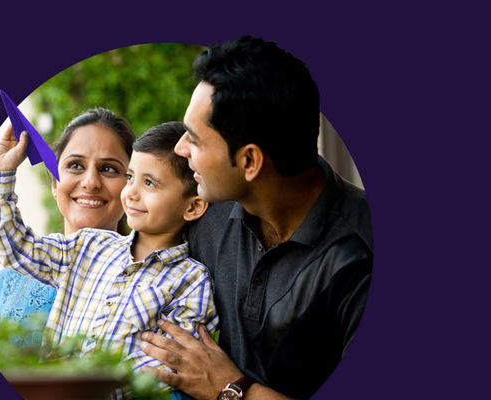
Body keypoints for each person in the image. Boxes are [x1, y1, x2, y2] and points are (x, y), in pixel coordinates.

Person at [138, 36, 373, 400]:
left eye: (196, 140)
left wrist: (231, 390)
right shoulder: (205, 211)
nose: (181, 149)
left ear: (249, 161)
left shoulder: (363, 255)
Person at [0, 121, 219, 398]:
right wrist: (1, 171)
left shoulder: (192, 281)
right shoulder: (89, 246)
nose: (131, 192)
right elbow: (14, 246)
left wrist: (85, 379)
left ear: (192, 206)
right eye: (131, 177)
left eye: (149, 183)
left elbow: (171, 364)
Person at [0, 108, 136, 346]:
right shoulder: (2, 286)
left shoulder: (150, 280)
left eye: (108, 168)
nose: (90, 182)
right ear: (55, 185)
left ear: (131, 187)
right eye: (75, 165)